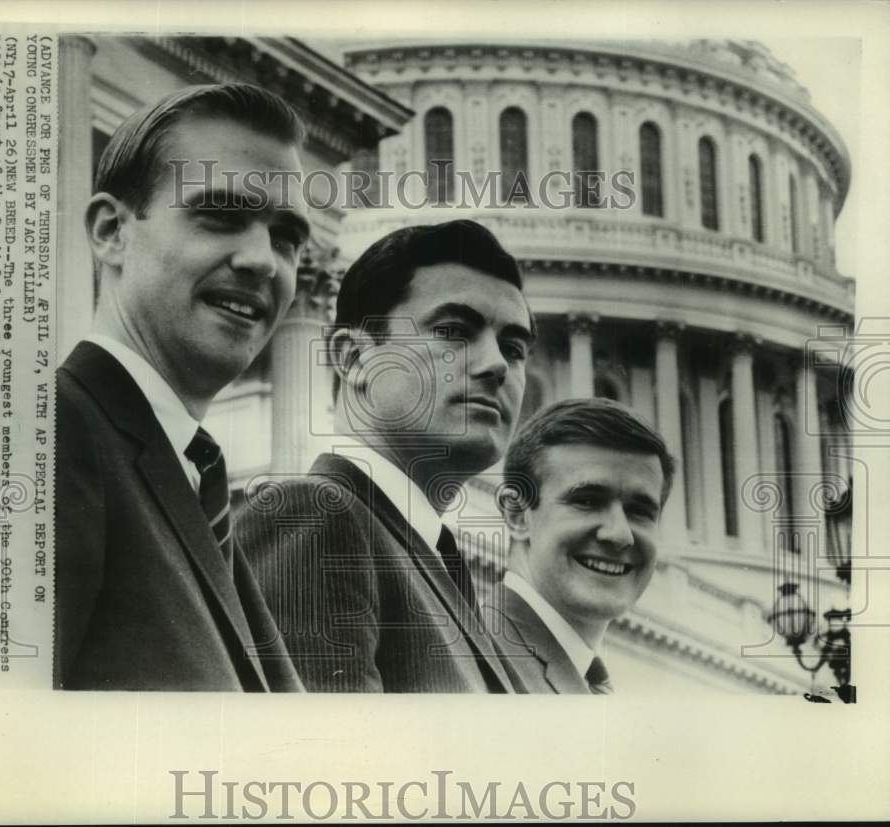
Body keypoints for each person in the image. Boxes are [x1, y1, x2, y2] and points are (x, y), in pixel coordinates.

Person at [55, 83, 311, 690]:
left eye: (286, 239)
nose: (263, 261)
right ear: (111, 231)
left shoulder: (193, 482)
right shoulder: (49, 434)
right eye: (221, 216)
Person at [235, 219, 536, 692]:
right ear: (353, 359)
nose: (497, 364)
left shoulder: (437, 563)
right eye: (454, 331)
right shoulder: (315, 519)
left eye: (514, 348)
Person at [487, 397, 675, 694]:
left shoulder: (584, 673)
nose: (620, 535)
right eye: (587, 501)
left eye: (640, 511)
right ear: (517, 514)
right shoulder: (472, 657)